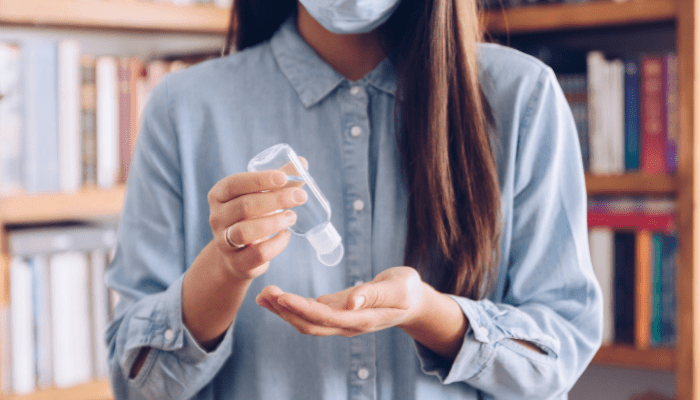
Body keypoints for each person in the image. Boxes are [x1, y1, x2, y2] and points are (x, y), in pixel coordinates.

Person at [105, 0, 603, 398]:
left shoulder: (522, 96)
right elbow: (137, 382)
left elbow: (557, 354)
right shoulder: (182, 107)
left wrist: (428, 312)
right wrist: (224, 270)